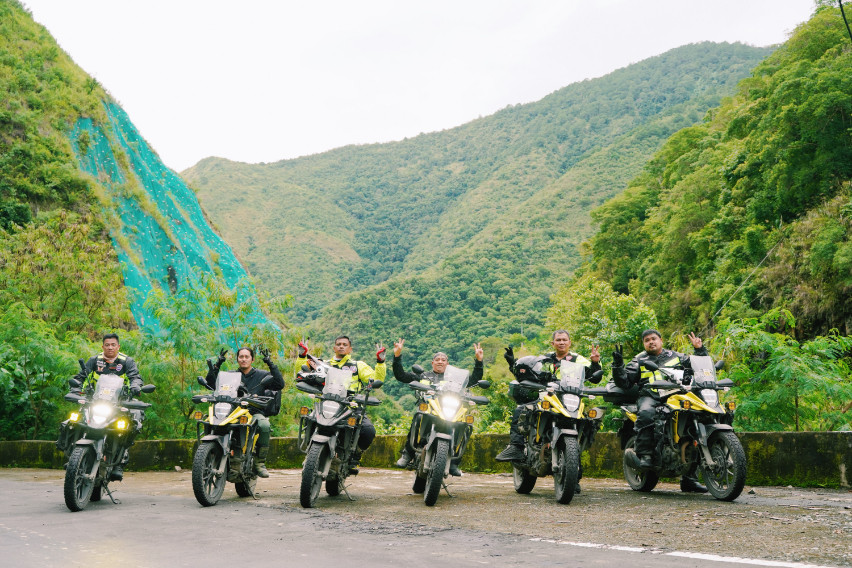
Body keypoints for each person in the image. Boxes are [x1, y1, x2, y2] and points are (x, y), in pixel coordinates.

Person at [611, 329, 709, 493]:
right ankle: (645, 456)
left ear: (661, 340)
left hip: (677, 395)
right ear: (644, 344)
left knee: (697, 419)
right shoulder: (639, 360)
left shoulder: (677, 356)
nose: (651, 342)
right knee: (647, 413)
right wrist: (618, 365)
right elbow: (624, 382)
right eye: (647, 340)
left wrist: (699, 350)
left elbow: (700, 367)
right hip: (651, 395)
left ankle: (690, 479)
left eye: (654, 339)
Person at [496, 330, 601, 464]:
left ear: (570, 342)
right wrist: (512, 363)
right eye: (558, 340)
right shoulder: (544, 360)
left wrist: (595, 363)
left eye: (564, 340)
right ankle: (516, 446)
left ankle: (575, 471)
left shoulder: (578, 359)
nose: (561, 342)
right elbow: (526, 375)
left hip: (570, 398)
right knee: (522, 409)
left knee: (589, 421)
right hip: (547, 397)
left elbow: (594, 378)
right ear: (553, 343)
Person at [392, 339, 484, 476]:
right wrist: (397, 356)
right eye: (437, 359)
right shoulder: (424, 376)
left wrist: (479, 361)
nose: (440, 361)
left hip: (450, 410)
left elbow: (473, 380)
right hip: (429, 410)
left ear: (447, 363)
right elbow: (401, 376)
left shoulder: (455, 380)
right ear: (432, 363)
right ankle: (407, 454)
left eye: (443, 360)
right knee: (417, 418)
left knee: (466, 425)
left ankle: (454, 462)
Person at [296, 336, 386, 474]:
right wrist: (302, 355)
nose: (341, 346)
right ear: (334, 347)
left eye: (345, 344)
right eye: (338, 344)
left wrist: (380, 362)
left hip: (350, 407)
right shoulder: (323, 364)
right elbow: (301, 374)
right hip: (325, 404)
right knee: (309, 419)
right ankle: (310, 450)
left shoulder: (358, 366)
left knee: (368, 430)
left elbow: (376, 379)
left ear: (350, 349)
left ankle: (355, 456)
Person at [63, 333, 144, 481]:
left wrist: (135, 386)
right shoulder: (95, 360)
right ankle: (72, 456)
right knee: (72, 422)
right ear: (103, 346)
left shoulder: (127, 362)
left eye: (113, 345)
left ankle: (121, 460)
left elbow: (135, 377)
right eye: (107, 345)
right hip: (95, 401)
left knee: (133, 421)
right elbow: (81, 376)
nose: (110, 347)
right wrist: (75, 388)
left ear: (118, 346)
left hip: (118, 403)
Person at [205, 346, 284, 478]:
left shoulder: (262, 375)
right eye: (241, 357)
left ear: (252, 359)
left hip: (253, 412)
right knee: (210, 420)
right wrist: (218, 363)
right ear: (237, 359)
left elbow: (279, 384)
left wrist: (270, 363)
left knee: (264, 425)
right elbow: (212, 383)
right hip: (233, 412)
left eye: (246, 357)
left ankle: (259, 463)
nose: (243, 359)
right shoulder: (231, 376)